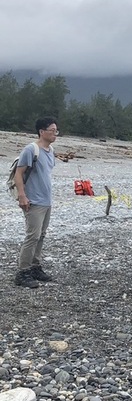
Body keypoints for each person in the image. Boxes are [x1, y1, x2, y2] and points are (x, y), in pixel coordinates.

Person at [13, 117, 59, 288]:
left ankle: (35, 266)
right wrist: (22, 195)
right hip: (33, 200)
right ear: (42, 131)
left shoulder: (50, 150)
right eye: (52, 130)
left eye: (56, 130)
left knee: (41, 235)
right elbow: (19, 173)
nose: (55, 133)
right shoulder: (31, 149)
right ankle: (22, 272)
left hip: (46, 201)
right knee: (32, 236)